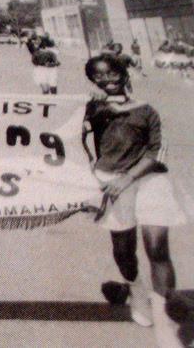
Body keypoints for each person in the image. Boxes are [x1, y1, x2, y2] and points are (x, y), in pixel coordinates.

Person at [83, 54, 186, 347]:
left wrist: (129, 177)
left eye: (112, 72)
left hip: (149, 179)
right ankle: (136, 289)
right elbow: (68, 138)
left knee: (157, 248)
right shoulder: (93, 109)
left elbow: (155, 153)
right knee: (123, 251)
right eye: (98, 76)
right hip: (111, 183)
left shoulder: (147, 111)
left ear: (124, 73)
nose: (106, 80)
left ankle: (166, 324)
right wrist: (87, 111)